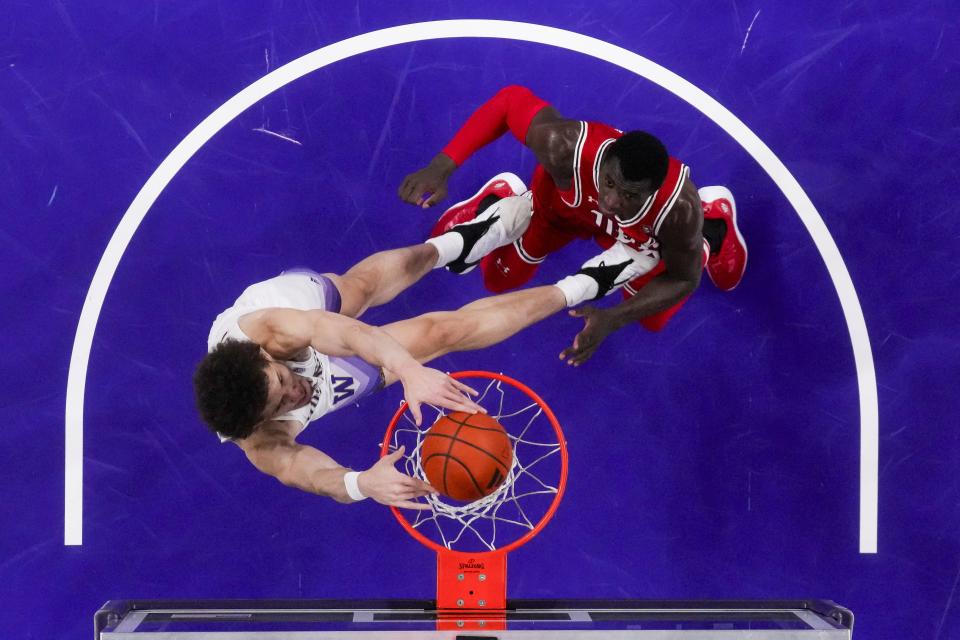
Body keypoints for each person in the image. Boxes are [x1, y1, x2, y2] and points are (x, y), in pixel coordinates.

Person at [193, 197, 633, 509]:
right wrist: (361, 483)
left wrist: (407, 369)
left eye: (284, 381)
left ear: (264, 358)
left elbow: (346, 333)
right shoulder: (258, 440)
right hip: (316, 377)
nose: (296, 392)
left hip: (300, 315)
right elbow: (304, 473)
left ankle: (463, 239)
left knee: (358, 292)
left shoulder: (269, 330)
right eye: (282, 403)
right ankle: (594, 281)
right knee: (444, 331)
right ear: (258, 422)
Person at [398, 85, 748, 366]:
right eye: (609, 183)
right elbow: (509, 102)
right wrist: (442, 165)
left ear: (653, 192)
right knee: (498, 280)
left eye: (628, 195)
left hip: (638, 238)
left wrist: (615, 317)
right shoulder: (565, 146)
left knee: (651, 318)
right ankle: (496, 201)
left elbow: (684, 279)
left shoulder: (677, 210)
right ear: (604, 159)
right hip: (561, 212)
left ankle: (712, 227)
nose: (612, 201)